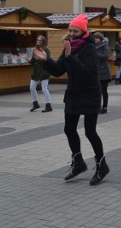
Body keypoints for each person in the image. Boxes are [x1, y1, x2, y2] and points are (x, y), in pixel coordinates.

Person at [33, 14, 109, 185]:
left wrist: (70, 57)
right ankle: (78, 162)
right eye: (70, 30)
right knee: (69, 129)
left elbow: (85, 71)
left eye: (75, 30)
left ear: (83, 31)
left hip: (90, 93)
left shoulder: (89, 48)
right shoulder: (69, 47)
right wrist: (46, 61)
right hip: (74, 93)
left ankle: (102, 165)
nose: (71, 33)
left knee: (90, 132)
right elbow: (59, 70)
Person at [28, 35, 52, 113]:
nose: (38, 42)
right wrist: (27, 59)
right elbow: (32, 61)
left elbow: (47, 60)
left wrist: (41, 57)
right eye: (38, 40)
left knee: (44, 88)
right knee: (32, 87)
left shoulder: (46, 50)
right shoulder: (35, 50)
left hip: (44, 71)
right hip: (36, 71)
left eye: (40, 40)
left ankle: (48, 105)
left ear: (43, 41)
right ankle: (36, 103)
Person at [93, 32, 112, 114]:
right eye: (94, 38)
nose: (95, 39)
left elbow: (105, 57)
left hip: (104, 71)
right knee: (96, 91)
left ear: (100, 39)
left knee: (103, 90)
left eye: (97, 38)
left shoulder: (105, 46)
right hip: (95, 71)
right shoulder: (92, 46)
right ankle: (97, 106)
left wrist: (95, 54)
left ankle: (104, 107)